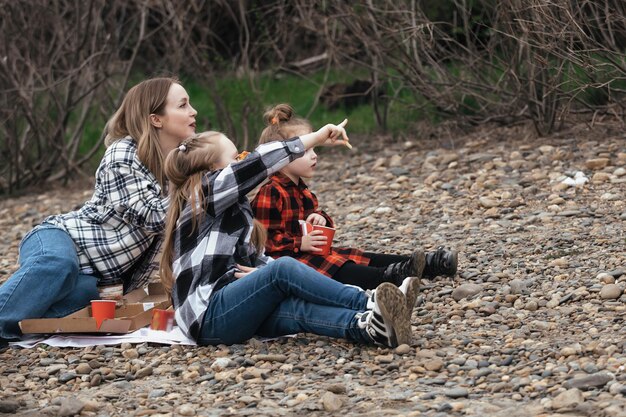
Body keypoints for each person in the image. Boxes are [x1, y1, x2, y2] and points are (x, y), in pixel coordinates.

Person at [160, 126, 421, 347]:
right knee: (283, 268)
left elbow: (255, 262)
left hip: (230, 312)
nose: (243, 159)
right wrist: (318, 136)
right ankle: (369, 301)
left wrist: (260, 277)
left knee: (298, 310)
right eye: (236, 157)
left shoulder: (234, 210)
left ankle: (370, 328)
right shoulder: (201, 196)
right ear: (211, 170)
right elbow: (258, 162)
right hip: (209, 317)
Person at [0, 77, 197, 347]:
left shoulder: (178, 165)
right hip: (61, 239)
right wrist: (199, 186)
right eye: (183, 105)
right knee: (58, 266)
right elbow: (153, 217)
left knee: (77, 304)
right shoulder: (123, 154)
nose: (193, 111)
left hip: (100, 279)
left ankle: (8, 330)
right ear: (156, 119)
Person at [251, 104, 458, 291]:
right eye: (306, 151)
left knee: (360, 256)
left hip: (312, 254)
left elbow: (314, 218)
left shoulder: (302, 190)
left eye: (314, 149)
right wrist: (299, 242)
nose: (314, 155)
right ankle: (392, 276)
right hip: (291, 265)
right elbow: (263, 243)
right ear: (281, 158)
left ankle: (427, 264)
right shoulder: (270, 192)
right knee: (344, 269)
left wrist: (320, 218)